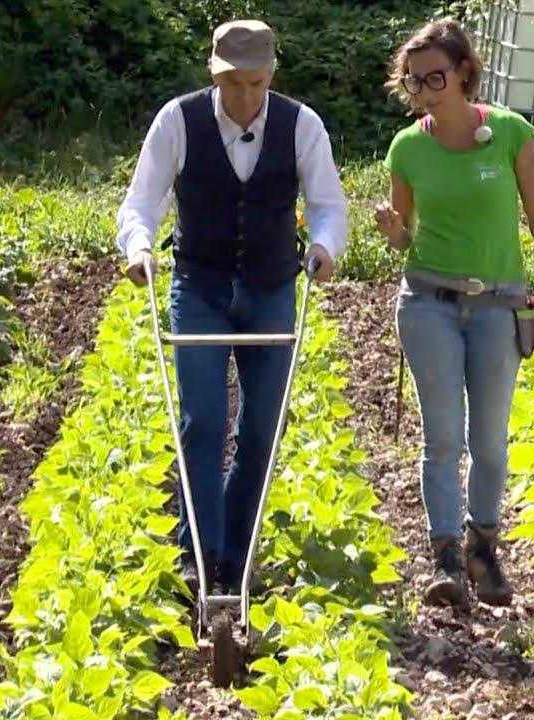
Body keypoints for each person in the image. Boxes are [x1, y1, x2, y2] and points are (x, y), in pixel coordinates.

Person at [116, 19, 349, 596]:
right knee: (201, 420)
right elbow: (140, 202)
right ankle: (200, 550)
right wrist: (139, 247)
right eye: (234, 84)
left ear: (270, 75)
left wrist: (323, 247)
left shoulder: (302, 126)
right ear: (214, 74)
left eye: (256, 83)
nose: (245, 96)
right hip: (200, 286)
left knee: (262, 430)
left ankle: (235, 555)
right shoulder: (179, 120)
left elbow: (328, 207)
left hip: (271, 288)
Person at [373, 17, 534, 610]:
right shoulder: (407, 147)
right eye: (413, 82)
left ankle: (483, 548)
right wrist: (392, 230)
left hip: (498, 306)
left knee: (488, 441)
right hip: (428, 303)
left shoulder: (510, 134)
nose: (425, 91)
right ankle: (444, 560)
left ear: (464, 73)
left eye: (435, 77)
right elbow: (406, 239)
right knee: (442, 439)